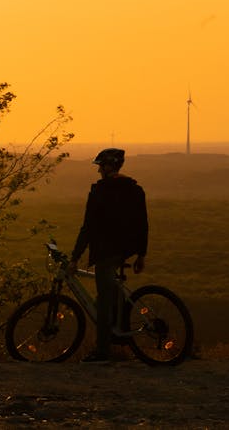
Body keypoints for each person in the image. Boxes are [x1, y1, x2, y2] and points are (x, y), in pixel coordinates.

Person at [69, 148, 148, 364]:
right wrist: (141, 254)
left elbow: (88, 227)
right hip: (125, 250)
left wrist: (75, 257)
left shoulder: (99, 191)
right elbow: (143, 224)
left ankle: (102, 351)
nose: (99, 171)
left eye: (100, 166)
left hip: (106, 251)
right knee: (112, 293)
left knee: (102, 301)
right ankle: (120, 332)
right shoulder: (135, 189)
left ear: (108, 166)